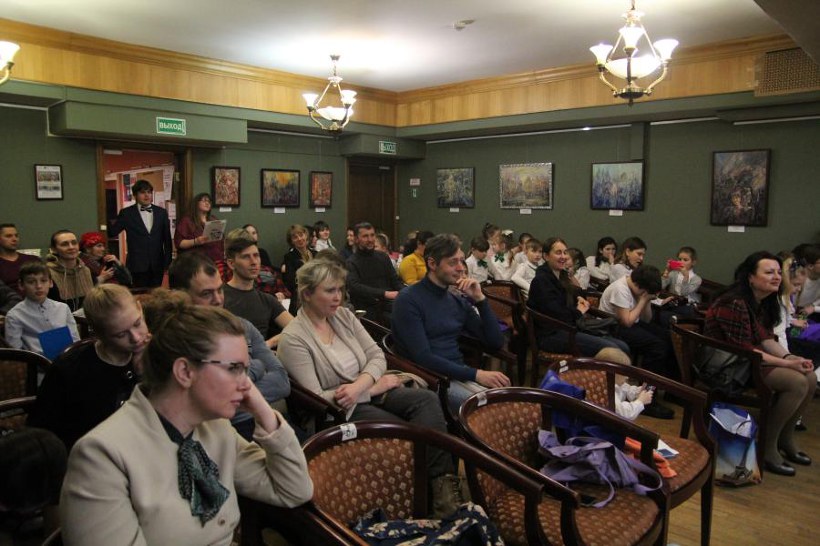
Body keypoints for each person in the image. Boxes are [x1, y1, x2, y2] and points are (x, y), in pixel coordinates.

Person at [59, 295, 312, 546]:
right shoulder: (102, 456)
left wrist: (264, 413)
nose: (247, 384)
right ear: (185, 371)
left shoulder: (215, 428)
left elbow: (293, 490)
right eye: (234, 368)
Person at [277, 259, 464, 516]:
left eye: (340, 289)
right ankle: (426, 501)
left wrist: (361, 386)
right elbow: (317, 399)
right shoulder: (293, 338)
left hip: (366, 391)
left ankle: (442, 492)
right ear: (307, 294)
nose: (338, 297)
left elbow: (377, 356)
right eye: (330, 290)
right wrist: (370, 389)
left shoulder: (343, 316)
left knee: (427, 400)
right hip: (337, 411)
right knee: (408, 431)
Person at [705, 251, 815, 476]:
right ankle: (767, 446)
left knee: (810, 378)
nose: (777, 277)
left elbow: (766, 339)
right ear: (750, 277)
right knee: (797, 382)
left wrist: (790, 358)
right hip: (728, 368)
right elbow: (745, 349)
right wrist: (787, 365)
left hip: (748, 362)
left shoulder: (761, 302)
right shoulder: (734, 302)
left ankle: (785, 439)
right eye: (769, 272)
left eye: (778, 272)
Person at [168, 252, 292, 440]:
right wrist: (256, 367)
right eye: (206, 294)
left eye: (220, 290)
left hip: (267, 421)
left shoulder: (243, 326)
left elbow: (281, 382)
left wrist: (228, 389)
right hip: (215, 436)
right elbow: (204, 404)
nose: (218, 300)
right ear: (180, 297)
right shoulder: (173, 341)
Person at [391, 234, 509, 412]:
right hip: (431, 381)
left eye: (461, 261)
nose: (461, 268)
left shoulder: (456, 300)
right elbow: (423, 357)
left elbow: (495, 342)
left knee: (513, 404)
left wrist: (480, 299)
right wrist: (476, 374)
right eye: (453, 262)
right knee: (498, 411)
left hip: (458, 374)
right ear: (432, 264)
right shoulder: (408, 300)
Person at [27, 284, 150, 449]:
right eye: (121, 334)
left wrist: (145, 374)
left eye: (137, 323)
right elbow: (42, 432)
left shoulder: (157, 351)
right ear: (99, 334)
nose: (136, 338)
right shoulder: (70, 369)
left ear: (140, 308)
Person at [528, 237, 630, 358]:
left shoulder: (561, 275)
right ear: (546, 256)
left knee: (623, 346)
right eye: (558, 253)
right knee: (614, 349)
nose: (563, 256)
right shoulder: (541, 280)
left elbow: (579, 294)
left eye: (565, 252)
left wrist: (579, 299)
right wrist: (578, 311)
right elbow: (557, 314)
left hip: (570, 327)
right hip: (551, 334)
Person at [599, 265, 676, 418]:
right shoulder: (620, 289)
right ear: (639, 286)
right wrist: (643, 300)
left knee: (668, 337)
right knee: (657, 347)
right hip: (611, 326)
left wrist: (646, 301)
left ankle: (672, 391)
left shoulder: (638, 290)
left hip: (629, 323)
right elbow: (626, 322)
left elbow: (647, 319)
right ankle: (647, 399)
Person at [224, 236, 293, 349]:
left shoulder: (267, 300)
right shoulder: (218, 297)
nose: (254, 262)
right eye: (246, 257)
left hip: (260, 356)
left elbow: (297, 328)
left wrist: (270, 343)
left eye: (256, 255)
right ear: (231, 263)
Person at [4, 261, 80, 356]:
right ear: (21, 285)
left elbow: (75, 340)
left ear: (50, 283)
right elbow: (15, 352)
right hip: (38, 363)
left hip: (68, 359)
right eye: (31, 282)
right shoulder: (15, 315)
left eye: (43, 281)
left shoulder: (63, 308)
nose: (39, 286)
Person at [108, 179, 173, 288]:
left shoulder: (161, 213)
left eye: (149, 192)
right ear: (135, 195)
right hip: (136, 265)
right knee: (138, 294)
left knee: (156, 295)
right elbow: (112, 232)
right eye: (142, 192)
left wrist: (167, 262)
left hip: (157, 264)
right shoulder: (126, 213)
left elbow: (167, 240)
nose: (146, 195)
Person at [346, 222, 403, 324]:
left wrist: (407, 293)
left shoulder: (383, 257)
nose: (370, 239)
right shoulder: (351, 262)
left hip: (390, 304)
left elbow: (395, 281)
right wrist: (385, 294)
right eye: (365, 236)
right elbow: (355, 287)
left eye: (372, 235)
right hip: (368, 308)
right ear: (356, 239)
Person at [45, 230, 95, 312]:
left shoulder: (87, 270)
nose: (71, 247)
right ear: (54, 249)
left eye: (74, 243)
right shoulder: (46, 274)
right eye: (65, 244)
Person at [174, 193, 224, 264]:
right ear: (196, 203)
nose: (207, 203)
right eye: (204, 200)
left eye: (209, 201)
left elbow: (220, 239)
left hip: (215, 260)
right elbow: (179, 243)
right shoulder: (187, 221)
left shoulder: (214, 219)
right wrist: (196, 241)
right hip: (195, 261)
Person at [281, 224, 315, 315]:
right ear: (291, 241)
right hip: (299, 299)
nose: (299, 239)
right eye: (295, 237)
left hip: (317, 296)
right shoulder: (289, 257)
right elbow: (290, 281)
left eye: (301, 235)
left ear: (306, 235)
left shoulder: (316, 254)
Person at [0, 223, 42, 295]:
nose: (14, 239)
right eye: (8, 236)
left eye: (16, 236)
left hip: (35, 298)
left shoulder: (33, 260)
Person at [795, 244, 820, 320]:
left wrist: (813, 307)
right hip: (795, 312)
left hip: (811, 310)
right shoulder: (797, 279)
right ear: (810, 266)